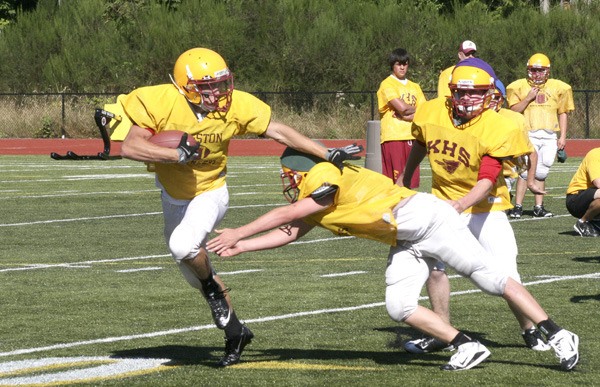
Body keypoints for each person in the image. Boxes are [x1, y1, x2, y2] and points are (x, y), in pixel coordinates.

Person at [206, 146, 580, 372]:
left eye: (291, 173)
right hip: (404, 233)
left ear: (304, 169)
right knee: (399, 305)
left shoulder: (322, 173)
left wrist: (239, 231)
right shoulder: (317, 199)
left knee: (490, 279)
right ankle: (465, 344)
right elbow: (291, 231)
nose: (289, 180)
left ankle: (558, 333)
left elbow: (290, 214)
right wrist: (243, 247)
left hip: (425, 218)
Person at [118, 47, 361, 367]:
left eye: (219, 84)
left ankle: (215, 295)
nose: (216, 93)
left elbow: (278, 130)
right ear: (184, 87)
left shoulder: (237, 105)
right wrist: (173, 155)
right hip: (173, 196)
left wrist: (325, 152)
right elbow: (131, 146)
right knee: (193, 271)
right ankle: (235, 332)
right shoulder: (159, 101)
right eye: (206, 87)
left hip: (211, 192)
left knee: (182, 245)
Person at [400, 59, 550, 355]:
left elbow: (489, 176)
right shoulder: (431, 112)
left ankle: (529, 329)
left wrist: (462, 203)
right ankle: (442, 332)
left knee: (507, 274)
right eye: (461, 92)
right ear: (450, 92)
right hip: (444, 203)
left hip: (486, 207)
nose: (467, 99)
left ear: (490, 94)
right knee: (434, 268)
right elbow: (420, 141)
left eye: (476, 93)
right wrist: (407, 178)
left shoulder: (501, 123)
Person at [506, 53, 575, 219]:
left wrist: (563, 136)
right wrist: (529, 98)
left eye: (540, 70)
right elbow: (513, 111)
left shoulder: (559, 87)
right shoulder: (519, 86)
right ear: (528, 70)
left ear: (547, 71)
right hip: (528, 132)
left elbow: (563, 113)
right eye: (534, 70)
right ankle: (518, 206)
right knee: (525, 171)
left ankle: (538, 207)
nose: (537, 74)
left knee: (542, 170)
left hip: (550, 134)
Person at [377, 48, 427, 185]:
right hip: (394, 137)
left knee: (409, 182)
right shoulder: (387, 84)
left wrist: (409, 115)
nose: (402, 67)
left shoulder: (415, 86)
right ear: (393, 65)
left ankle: (407, 207)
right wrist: (411, 112)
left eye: (405, 63)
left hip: (412, 136)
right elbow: (402, 108)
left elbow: (424, 112)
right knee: (395, 183)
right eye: (399, 64)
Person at [565, 147, 600, 237]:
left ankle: (595, 221)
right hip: (576, 198)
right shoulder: (595, 154)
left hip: (593, 195)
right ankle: (582, 222)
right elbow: (598, 183)